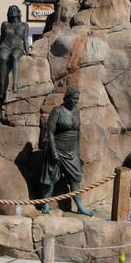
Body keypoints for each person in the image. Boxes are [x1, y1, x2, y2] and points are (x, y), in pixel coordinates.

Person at [40, 87, 92, 216]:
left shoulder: (76, 111)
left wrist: (78, 152)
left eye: (77, 99)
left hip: (72, 152)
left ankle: (80, 206)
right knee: (50, 179)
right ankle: (45, 204)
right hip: (56, 149)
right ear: (67, 98)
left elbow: (77, 132)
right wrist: (54, 152)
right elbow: (50, 133)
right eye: (74, 98)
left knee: (76, 179)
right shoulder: (57, 111)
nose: (76, 101)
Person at [0, 5, 29, 119]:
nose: (12, 12)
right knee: (2, 58)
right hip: (5, 45)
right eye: (10, 11)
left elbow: (25, 40)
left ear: (19, 13)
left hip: (18, 47)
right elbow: (1, 38)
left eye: (14, 10)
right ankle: (1, 88)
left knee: (15, 57)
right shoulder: (5, 24)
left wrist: (28, 52)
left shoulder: (24, 25)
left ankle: (15, 86)